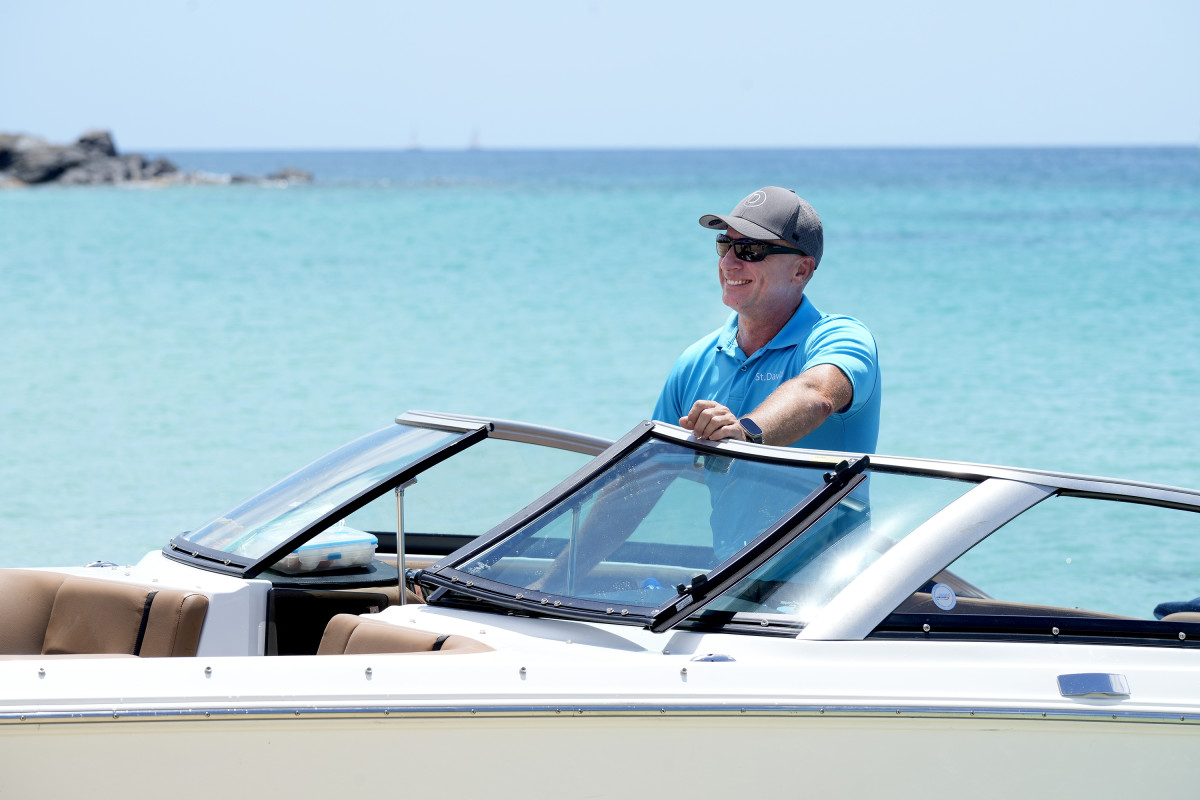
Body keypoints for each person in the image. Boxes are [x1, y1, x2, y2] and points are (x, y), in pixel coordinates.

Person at [653, 186, 880, 454]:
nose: (728, 263)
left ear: (801, 270)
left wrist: (745, 436)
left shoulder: (843, 338)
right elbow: (651, 465)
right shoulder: (693, 361)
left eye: (750, 249)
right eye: (725, 245)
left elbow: (816, 394)